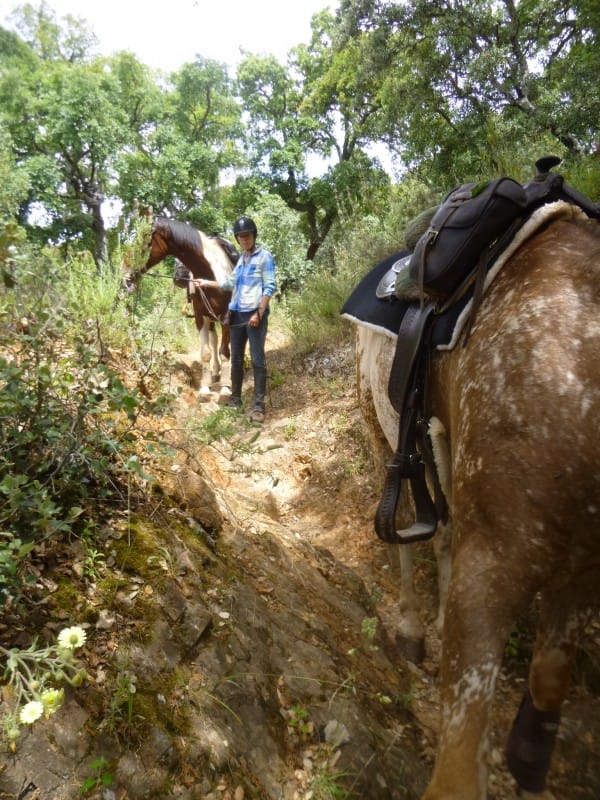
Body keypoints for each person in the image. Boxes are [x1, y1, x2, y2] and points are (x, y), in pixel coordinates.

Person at [197, 215, 276, 423]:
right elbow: (229, 283)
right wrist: (206, 282)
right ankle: (235, 400)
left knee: (258, 359)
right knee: (237, 359)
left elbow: (269, 287)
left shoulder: (264, 257)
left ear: (254, 236)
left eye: (247, 236)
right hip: (237, 314)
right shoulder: (242, 259)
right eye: (240, 237)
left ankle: (258, 406)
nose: (244, 240)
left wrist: (259, 313)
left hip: (254, 314)